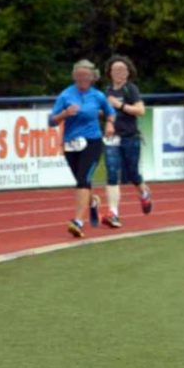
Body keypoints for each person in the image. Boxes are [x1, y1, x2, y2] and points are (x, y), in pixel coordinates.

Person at [49, 60, 116, 238]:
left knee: (83, 180)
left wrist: (109, 124)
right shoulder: (65, 95)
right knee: (82, 180)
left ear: (93, 77)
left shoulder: (98, 96)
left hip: (93, 142)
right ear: (74, 76)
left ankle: (78, 221)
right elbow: (51, 121)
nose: (82, 79)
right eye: (79, 76)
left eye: (86, 76)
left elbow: (110, 112)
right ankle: (93, 202)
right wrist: (64, 114)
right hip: (71, 144)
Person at [101, 55, 152, 229]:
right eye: (116, 70)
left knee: (132, 175)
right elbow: (102, 113)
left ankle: (144, 193)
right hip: (112, 138)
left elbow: (141, 110)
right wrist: (105, 115)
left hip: (130, 137)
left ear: (128, 72)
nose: (119, 73)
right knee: (112, 173)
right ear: (110, 73)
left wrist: (120, 106)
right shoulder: (106, 91)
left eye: (122, 70)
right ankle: (113, 213)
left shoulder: (131, 90)